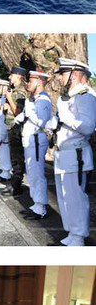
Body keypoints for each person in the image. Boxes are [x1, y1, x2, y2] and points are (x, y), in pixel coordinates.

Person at [50, 56, 96, 247]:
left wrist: (65, 116)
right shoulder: (66, 98)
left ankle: (78, 237)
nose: (60, 79)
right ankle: (71, 232)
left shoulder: (86, 97)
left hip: (76, 155)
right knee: (64, 197)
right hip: (63, 155)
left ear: (75, 75)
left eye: (63, 74)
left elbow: (88, 127)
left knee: (76, 198)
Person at [21, 68, 52, 217]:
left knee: (37, 174)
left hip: (37, 140)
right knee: (32, 173)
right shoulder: (35, 100)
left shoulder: (44, 100)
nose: (28, 83)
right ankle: (36, 203)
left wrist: (30, 112)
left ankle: (41, 208)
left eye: (31, 81)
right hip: (30, 140)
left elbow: (42, 122)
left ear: (39, 82)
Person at [3, 68, 27, 196]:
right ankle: (14, 183)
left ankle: (17, 185)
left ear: (18, 76)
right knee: (14, 157)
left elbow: (18, 112)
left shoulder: (21, 92)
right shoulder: (14, 91)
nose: (9, 77)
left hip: (17, 128)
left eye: (11, 75)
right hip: (11, 127)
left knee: (17, 158)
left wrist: (9, 98)